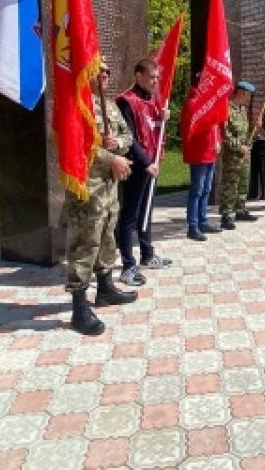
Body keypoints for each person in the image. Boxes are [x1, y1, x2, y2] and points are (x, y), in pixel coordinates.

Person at [64, 62, 138, 336]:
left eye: (108, 71)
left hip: (108, 187)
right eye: (100, 70)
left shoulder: (110, 106)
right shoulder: (75, 105)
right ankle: (79, 306)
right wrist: (112, 158)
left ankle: (105, 288)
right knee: (86, 242)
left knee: (107, 236)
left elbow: (127, 135)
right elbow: (75, 145)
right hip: (87, 187)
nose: (105, 75)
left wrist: (116, 145)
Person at [115, 59, 171, 286]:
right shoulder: (126, 101)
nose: (155, 81)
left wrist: (162, 119)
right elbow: (129, 138)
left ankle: (147, 254)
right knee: (129, 215)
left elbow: (152, 130)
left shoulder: (152, 101)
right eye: (151, 77)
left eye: (157, 77)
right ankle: (128, 265)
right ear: (138, 76)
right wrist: (146, 162)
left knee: (146, 211)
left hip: (151, 164)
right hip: (136, 166)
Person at [181, 77, 224, 241]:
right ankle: (193, 226)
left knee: (206, 189)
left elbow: (216, 127)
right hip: (199, 153)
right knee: (197, 190)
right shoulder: (193, 103)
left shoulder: (209, 102)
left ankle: (202, 220)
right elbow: (197, 127)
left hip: (210, 152)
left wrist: (218, 141)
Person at [219, 82, 258, 228]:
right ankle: (226, 214)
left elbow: (245, 133)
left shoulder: (242, 109)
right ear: (241, 93)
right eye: (248, 95)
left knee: (243, 182)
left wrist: (254, 130)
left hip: (244, 154)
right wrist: (238, 146)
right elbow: (224, 135)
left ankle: (240, 209)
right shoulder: (227, 109)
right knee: (231, 183)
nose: (249, 99)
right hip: (232, 155)